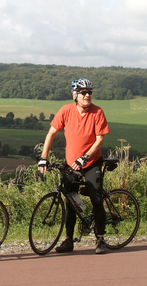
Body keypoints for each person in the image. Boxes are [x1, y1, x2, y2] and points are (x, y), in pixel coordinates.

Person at [37, 78, 110, 254]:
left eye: (90, 92)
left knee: (96, 199)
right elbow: (51, 133)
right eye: (84, 93)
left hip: (91, 162)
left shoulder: (97, 112)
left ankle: (100, 239)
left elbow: (100, 140)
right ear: (75, 95)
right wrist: (43, 157)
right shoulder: (66, 110)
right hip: (71, 164)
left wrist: (85, 158)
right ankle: (69, 240)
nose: (87, 95)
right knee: (70, 201)